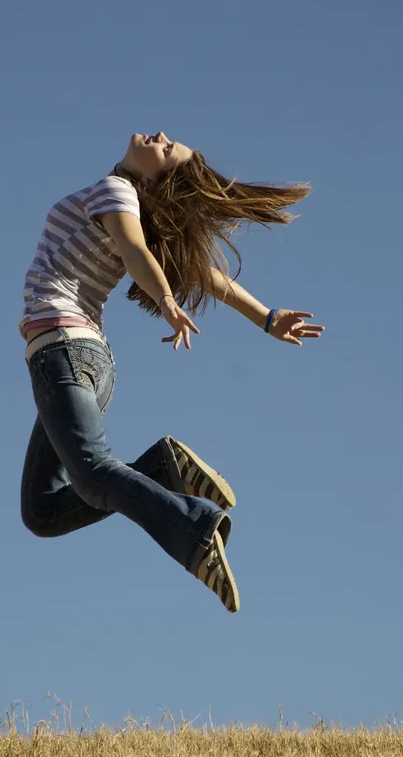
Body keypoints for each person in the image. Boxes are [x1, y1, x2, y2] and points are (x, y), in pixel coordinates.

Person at [19, 131, 324, 613]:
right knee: (42, 512)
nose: (161, 137)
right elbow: (203, 274)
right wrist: (264, 317)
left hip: (65, 351)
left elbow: (136, 250)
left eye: (167, 151)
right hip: (77, 360)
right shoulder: (122, 198)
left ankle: (195, 531)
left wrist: (165, 299)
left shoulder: (117, 190)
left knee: (95, 473)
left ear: (152, 178)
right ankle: (165, 466)